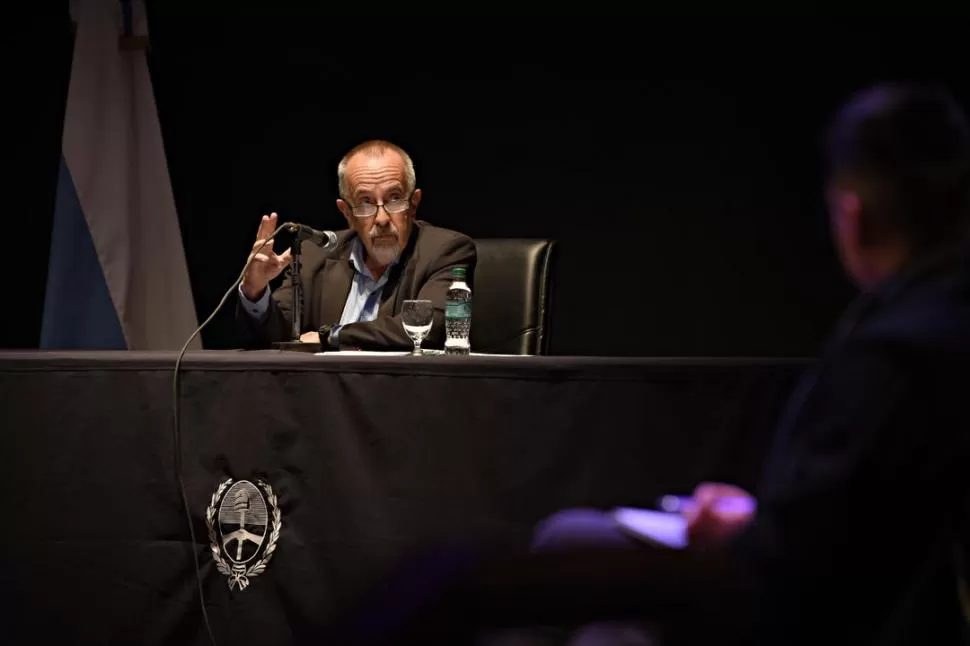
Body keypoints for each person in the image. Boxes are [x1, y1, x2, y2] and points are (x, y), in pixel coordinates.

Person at [528, 83, 970, 645]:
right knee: (570, 538)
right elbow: (866, 513)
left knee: (580, 586)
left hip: (819, 609)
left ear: (852, 218)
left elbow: (823, 563)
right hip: (842, 579)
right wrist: (758, 515)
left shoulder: (895, 355)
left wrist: (743, 534)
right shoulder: (935, 318)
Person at [236, 140, 476, 350]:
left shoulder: (446, 251)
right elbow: (281, 335)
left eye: (394, 199)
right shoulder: (314, 256)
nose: (382, 219)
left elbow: (427, 324)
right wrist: (254, 291)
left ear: (413, 204)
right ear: (346, 212)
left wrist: (332, 336)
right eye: (365, 202)